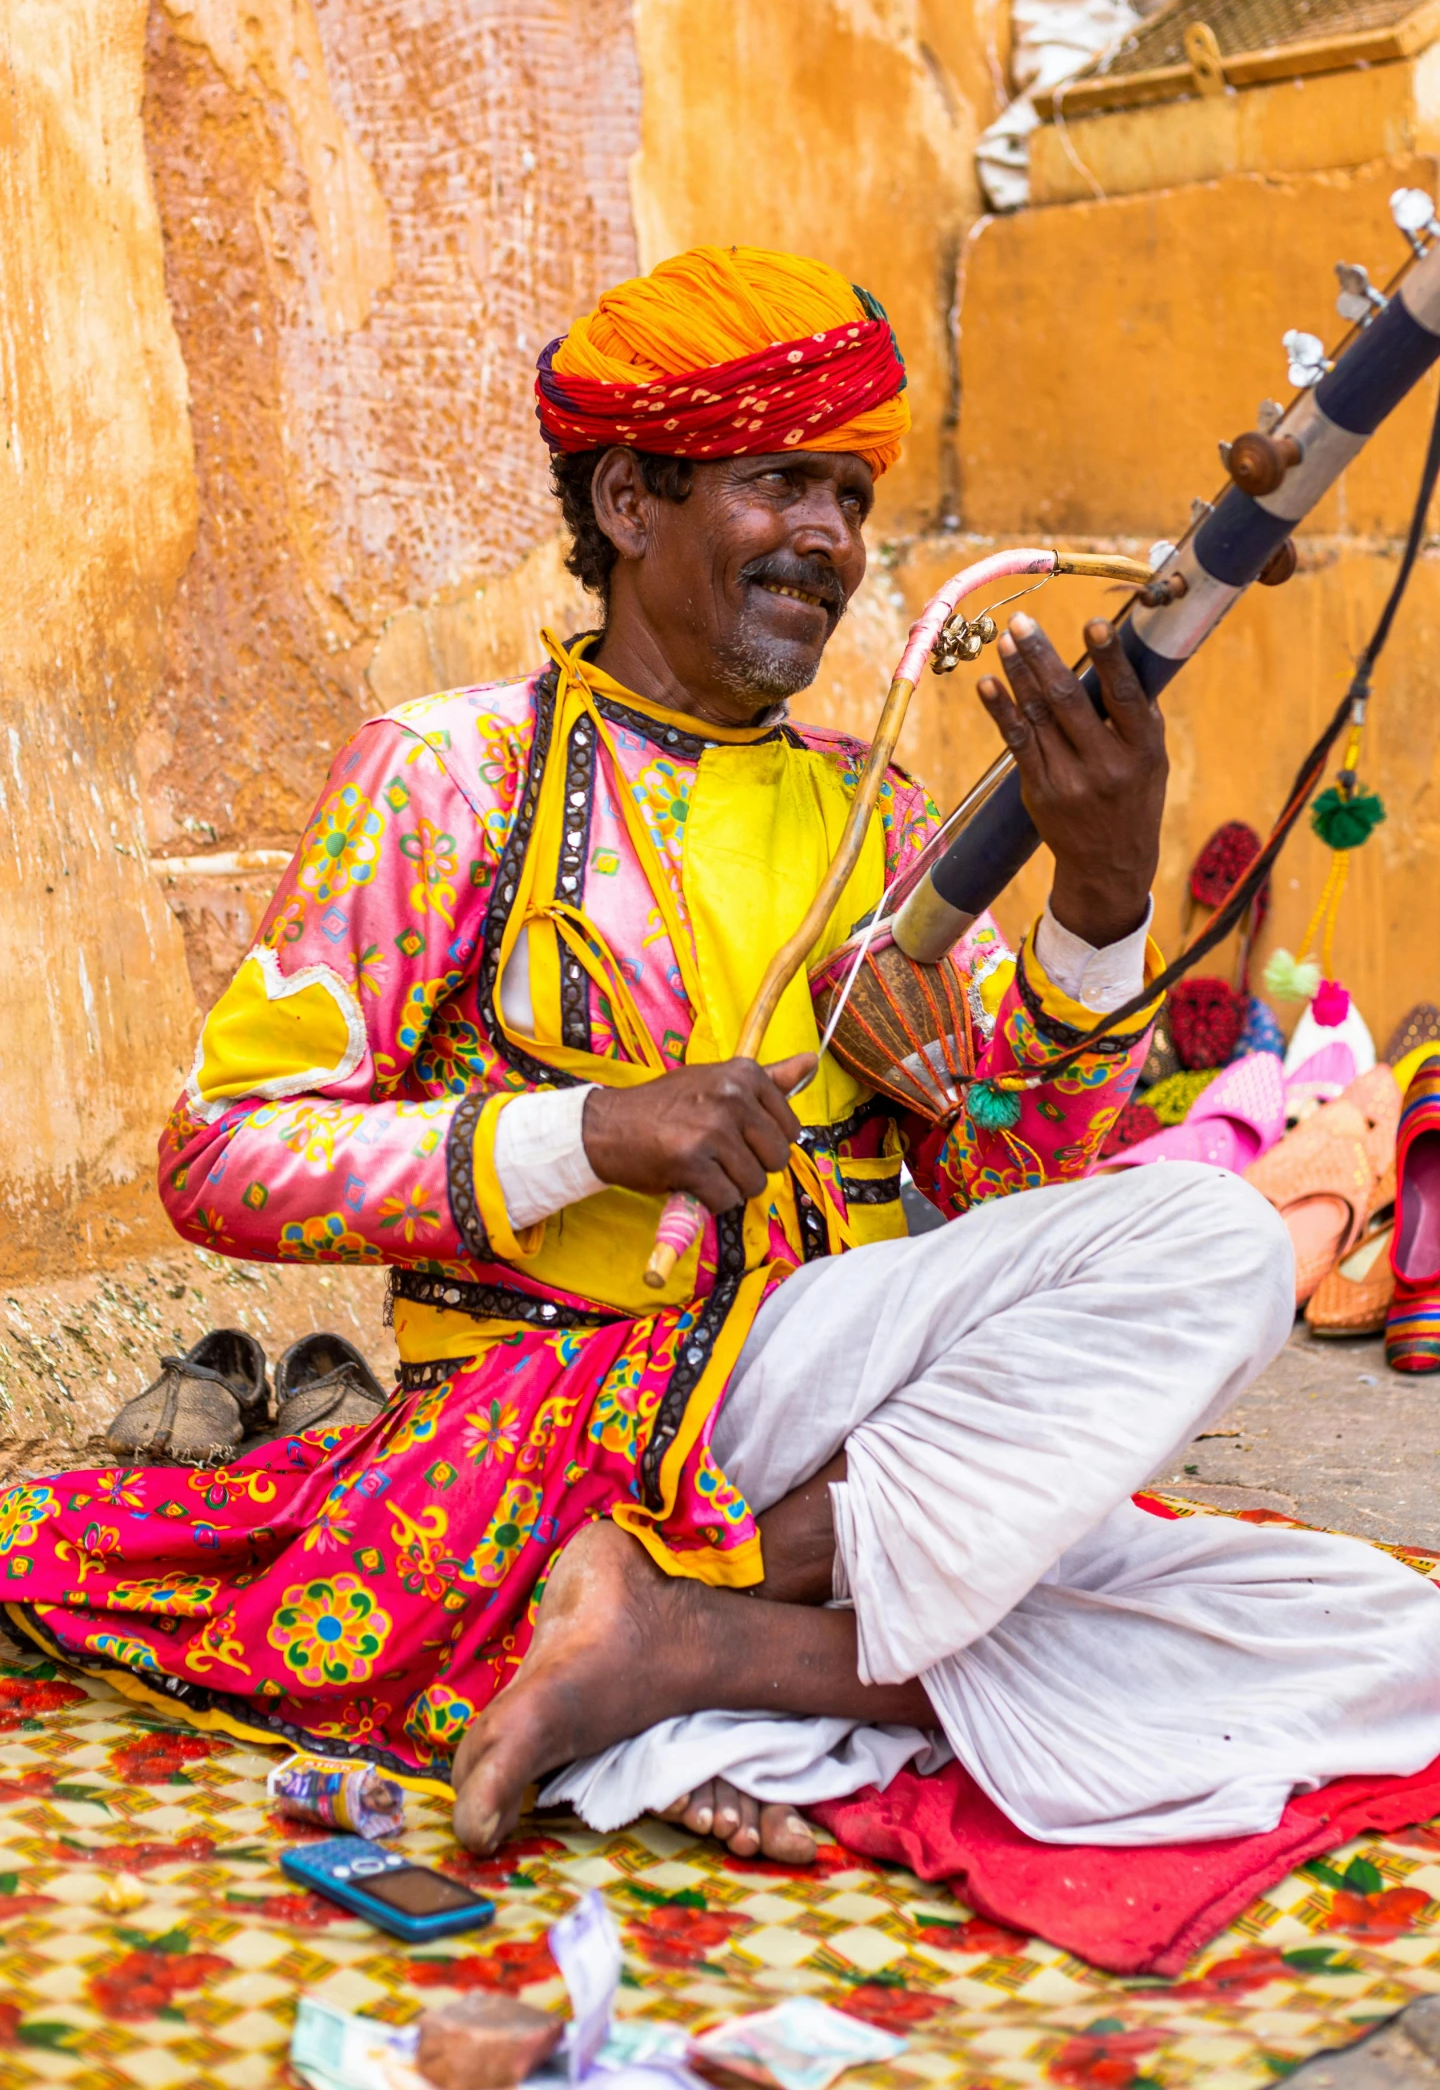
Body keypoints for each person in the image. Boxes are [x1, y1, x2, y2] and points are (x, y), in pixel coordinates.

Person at [4, 248, 1437, 1869]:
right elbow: (220, 1156)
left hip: (845, 1443)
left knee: (1393, 1642)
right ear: (629, 500)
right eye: (780, 484)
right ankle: (708, 1648)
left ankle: (694, 1647)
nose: (828, 537)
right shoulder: (449, 778)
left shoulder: (883, 809)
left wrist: (1100, 901)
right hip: (556, 1423)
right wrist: (589, 1134)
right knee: (1227, 1235)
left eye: (846, 492)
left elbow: (1022, 1191)